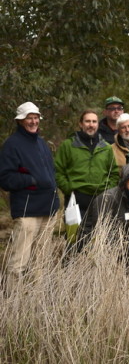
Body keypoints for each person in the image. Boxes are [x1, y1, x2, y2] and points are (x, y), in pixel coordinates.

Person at [0, 102, 60, 287]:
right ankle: (13, 301)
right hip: (26, 210)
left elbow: (50, 173)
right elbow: (5, 178)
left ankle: (36, 301)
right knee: (19, 261)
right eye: (29, 118)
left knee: (41, 262)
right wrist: (31, 181)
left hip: (47, 208)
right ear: (20, 121)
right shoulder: (12, 144)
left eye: (35, 117)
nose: (33, 121)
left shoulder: (41, 143)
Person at [55, 110, 120, 248]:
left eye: (94, 121)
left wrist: (107, 190)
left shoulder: (106, 148)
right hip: (76, 199)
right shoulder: (68, 145)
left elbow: (113, 173)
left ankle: (94, 268)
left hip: (100, 199)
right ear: (81, 124)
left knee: (98, 238)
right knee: (74, 240)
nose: (91, 125)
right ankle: (71, 268)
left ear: (98, 124)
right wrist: (68, 188)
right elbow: (57, 171)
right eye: (87, 121)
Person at [77, 164, 129, 261]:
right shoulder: (108, 197)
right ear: (126, 179)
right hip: (94, 243)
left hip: (123, 247)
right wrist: (116, 247)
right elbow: (99, 227)